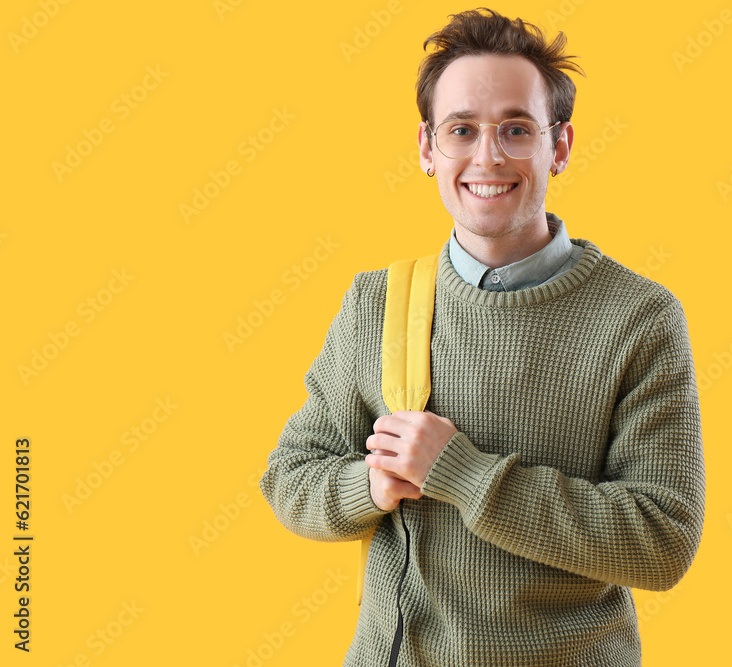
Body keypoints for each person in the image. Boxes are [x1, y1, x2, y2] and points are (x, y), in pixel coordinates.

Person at [259, 7, 705, 666]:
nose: (487, 155)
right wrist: (371, 487)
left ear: (560, 146)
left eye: (516, 129)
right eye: (462, 129)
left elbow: (662, 539)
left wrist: (466, 476)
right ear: (426, 148)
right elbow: (290, 480)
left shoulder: (640, 318)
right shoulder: (376, 305)